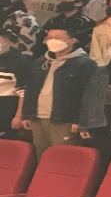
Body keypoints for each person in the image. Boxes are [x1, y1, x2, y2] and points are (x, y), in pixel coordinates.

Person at [20, 26, 94, 157]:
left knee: (63, 157)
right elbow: (30, 89)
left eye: (58, 37)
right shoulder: (40, 61)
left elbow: (88, 96)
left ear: (72, 40)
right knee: (41, 156)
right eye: (49, 38)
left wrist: (80, 121)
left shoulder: (84, 64)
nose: (52, 40)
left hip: (64, 119)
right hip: (37, 116)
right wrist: (26, 114)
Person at [0, 27, 30, 137]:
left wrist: (19, 116)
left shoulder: (20, 62)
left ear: (8, 43)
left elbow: (24, 92)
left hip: (6, 107)